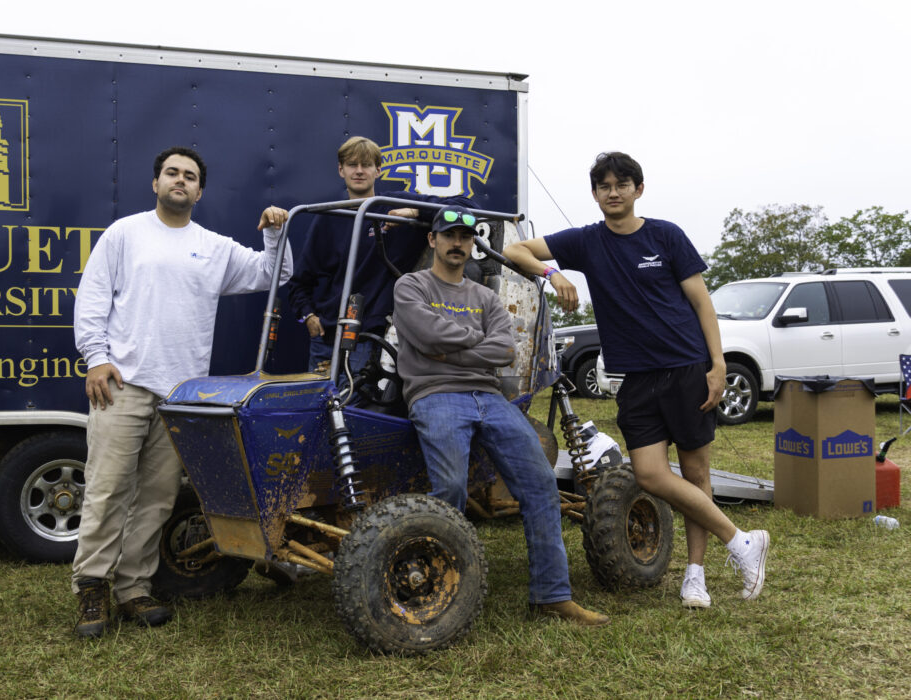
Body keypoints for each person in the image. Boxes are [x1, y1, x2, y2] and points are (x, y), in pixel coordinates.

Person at [503, 152, 769, 609]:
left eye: (622, 184)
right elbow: (514, 250)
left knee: (696, 472)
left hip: (686, 366)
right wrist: (553, 273)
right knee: (648, 474)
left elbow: (702, 302)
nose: (613, 192)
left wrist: (718, 364)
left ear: (637, 190)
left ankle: (695, 576)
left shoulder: (665, 236)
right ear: (595, 194)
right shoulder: (587, 241)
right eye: (604, 186)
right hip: (637, 378)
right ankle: (741, 541)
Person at [71, 146, 293, 637]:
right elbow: (92, 298)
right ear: (156, 184)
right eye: (172, 172)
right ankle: (92, 590)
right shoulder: (125, 233)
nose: (180, 180)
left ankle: (133, 590)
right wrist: (96, 358)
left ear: (200, 191)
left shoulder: (213, 247)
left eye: (190, 176)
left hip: (181, 395)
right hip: (122, 386)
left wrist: (276, 233)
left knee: (156, 498)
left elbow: (272, 275)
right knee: (107, 490)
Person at [392, 205, 609, 626]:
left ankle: (551, 597)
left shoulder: (486, 297)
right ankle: (435, 596)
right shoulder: (411, 286)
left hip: (490, 397)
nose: (458, 243)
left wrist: (446, 348)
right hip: (435, 395)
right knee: (450, 489)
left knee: (541, 484)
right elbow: (424, 334)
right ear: (432, 240)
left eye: (465, 237)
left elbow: (504, 351)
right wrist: (471, 345)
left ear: (473, 245)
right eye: (449, 235)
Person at [286, 136, 473, 374]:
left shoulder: (395, 205)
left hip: (370, 339)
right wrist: (309, 317)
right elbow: (300, 281)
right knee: (321, 409)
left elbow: (466, 207)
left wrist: (415, 212)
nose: (360, 171)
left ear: (379, 170)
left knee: (357, 409)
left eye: (367, 165)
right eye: (352, 165)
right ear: (341, 170)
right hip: (325, 340)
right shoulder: (328, 217)